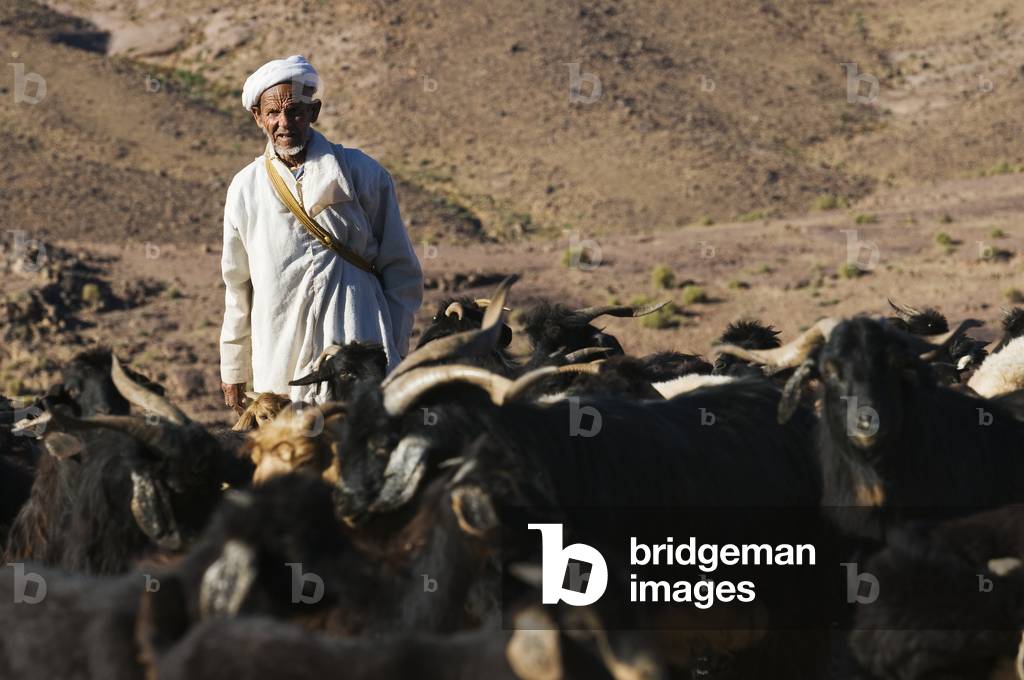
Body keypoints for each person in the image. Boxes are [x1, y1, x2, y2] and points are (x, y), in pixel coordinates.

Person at [219, 55, 422, 412]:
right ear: (258, 118)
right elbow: (238, 285)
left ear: (313, 112)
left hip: (360, 349)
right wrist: (233, 367)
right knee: (288, 454)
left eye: (295, 111)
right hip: (279, 352)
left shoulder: (364, 173)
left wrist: (394, 346)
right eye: (273, 113)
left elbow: (401, 269)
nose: (284, 123)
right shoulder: (244, 189)